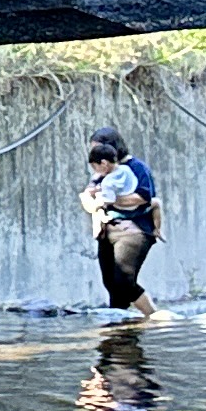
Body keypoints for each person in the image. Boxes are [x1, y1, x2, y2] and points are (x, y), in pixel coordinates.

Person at [82, 129, 161, 317]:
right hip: (108, 229)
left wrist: (110, 199)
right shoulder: (102, 171)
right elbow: (90, 196)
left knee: (124, 280)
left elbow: (144, 197)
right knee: (111, 283)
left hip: (134, 229)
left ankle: (155, 317)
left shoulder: (136, 168)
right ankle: (120, 327)